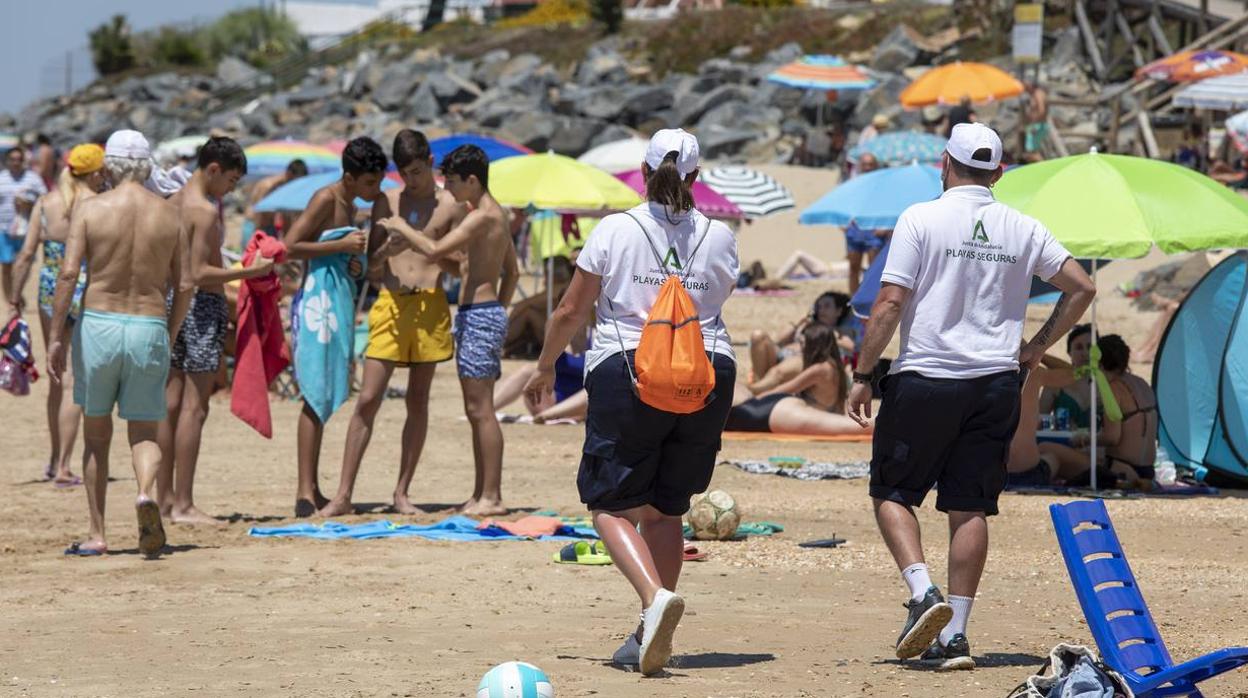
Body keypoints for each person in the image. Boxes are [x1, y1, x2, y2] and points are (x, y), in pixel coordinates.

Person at [846, 123, 1096, 670]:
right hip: (995, 383)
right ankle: (955, 633)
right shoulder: (1023, 226)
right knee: (969, 507)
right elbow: (1082, 286)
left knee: (892, 492)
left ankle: (922, 594)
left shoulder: (920, 217)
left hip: (927, 378)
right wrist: (1034, 347)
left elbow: (889, 302)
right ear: (999, 173)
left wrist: (864, 372)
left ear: (944, 164)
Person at [523, 128, 739, 675]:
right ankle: (649, 632)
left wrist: (545, 366)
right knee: (667, 509)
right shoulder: (719, 233)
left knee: (609, 505)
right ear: (696, 177)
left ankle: (653, 600)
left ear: (643, 173)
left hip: (631, 369)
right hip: (706, 371)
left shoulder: (616, 228)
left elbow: (571, 310)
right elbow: (716, 297)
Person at [47, 129, 193, 558]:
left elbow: (70, 274)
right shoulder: (170, 215)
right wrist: (169, 330)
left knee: (96, 434)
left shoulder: (91, 209)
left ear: (108, 167)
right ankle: (146, 494)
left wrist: (56, 335)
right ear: (147, 166)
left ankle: (97, 533)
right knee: (145, 431)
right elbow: (185, 284)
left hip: (100, 324)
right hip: (148, 323)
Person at [319, 130, 465, 517]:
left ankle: (402, 492)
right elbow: (370, 266)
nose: (411, 180)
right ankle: (343, 494)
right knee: (367, 399)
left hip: (430, 305)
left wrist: (418, 242)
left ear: (431, 163)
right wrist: (386, 249)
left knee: (418, 401)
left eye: (416, 171)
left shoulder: (450, 205)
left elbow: (457, 264)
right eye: (404, 173)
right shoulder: (388, 200)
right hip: (390, 303)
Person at [382, 144, 519, 517]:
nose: (449, 189)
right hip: (483, 312)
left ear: (473, 181)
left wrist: (401, 227)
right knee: (477, 409)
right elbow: (513, 272)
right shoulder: (498, 214)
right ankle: (481, 493)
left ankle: (491, 495)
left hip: (479, 314)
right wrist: (499, 310)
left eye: (454, 182)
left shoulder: (481, 217)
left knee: (481, 409)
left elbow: (434, 249)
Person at [157, 137, 274, 525]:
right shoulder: (204, 212)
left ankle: (163, 500)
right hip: (200, 306)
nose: (232, 189)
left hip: (168, 304)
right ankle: (185, 504)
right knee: (195, 406)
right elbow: (199, 274)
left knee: (169, 404)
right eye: (232, 180)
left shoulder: (169, 203)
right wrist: (249, 273)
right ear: (213, 170)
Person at [284, 138, 384, 518]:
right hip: (317, 302)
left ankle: (313, 487)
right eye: (369, 184)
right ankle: (303, 490)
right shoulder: (326, 199)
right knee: (313, 391)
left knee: (325, 391)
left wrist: (351, 261)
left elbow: (337, 252)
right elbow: (290, 246)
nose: (373, 192)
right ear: (350, 177)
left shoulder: (352, 206)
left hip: (337, 298)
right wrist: (339, 245)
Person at [10, 144, 106, 486]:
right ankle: (64, 465)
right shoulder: (97, 204)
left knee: (55, 375)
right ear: (96, 171)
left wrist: (12, 300)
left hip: (51, 289)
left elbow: (24, 255)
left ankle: (54, 459)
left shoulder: (46, 203)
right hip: (86, 289)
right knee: (74, 381)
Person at [1041, 335, 1159, 490]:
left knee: (1046, 448)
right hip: (1147, 470)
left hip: (1120, 469)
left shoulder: (1112, 389)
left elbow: (1112, 437)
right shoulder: (1141, 383)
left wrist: (1084, 438)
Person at [727, 324, 864, 436]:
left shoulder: (819, 369)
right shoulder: (835, 365)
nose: (801, 348)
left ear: (813, 345)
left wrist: (756, 401)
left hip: (810, 414)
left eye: (803, 343)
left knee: (858, 427)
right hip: (821, 412)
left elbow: (787, 388)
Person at [748, 291, 856, 394]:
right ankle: (759, 385)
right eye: (819, 306)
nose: (821, 310)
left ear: (839, 311)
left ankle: (753, 391)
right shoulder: (806, 325)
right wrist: (799, 324)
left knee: (777, 372)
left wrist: (830, 337)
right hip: (782, 356)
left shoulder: (841, 331)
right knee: (758, 336)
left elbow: (853, 348)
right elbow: (778, 341)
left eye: (827, 306)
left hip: (805, 359)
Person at [0, 147, 49, 305]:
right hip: (4, 228)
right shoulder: (1, 178)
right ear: (7, 161)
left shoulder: (33, 179)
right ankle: (11, 299)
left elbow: (45, 198)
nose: (15, 163)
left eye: (18, 159)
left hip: (28, 229)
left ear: (23, 161)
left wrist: (30, 203)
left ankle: (16, 292)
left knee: (25, 264)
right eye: (12, 159)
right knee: (6, 266)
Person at [1038, 324, 1093, 429]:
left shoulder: (1109, 384)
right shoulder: (1054, 383)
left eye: (1090, 347)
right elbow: (1039, 423)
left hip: (1101, 445)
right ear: (1069, 352)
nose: (1085, 353)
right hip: (1061, 443)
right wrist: (1057, 425)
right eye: (1079, 347)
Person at [244, 159, 308, 246]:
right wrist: (257, 239)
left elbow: (287, 214)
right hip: (255, 227)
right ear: (289, 174)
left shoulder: (286, 188)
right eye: (298, 181)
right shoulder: (268, 185)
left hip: (270, 228)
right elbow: (259, 211)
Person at [1021, 80, 1049, 162]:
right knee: (1033, 151)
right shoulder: (1036, 94)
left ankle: (1044, 168)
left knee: (1032, 152)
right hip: (1037, 125)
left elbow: (1042, 110)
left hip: (1037, 125)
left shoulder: (1038, 94)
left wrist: (1034, 124)